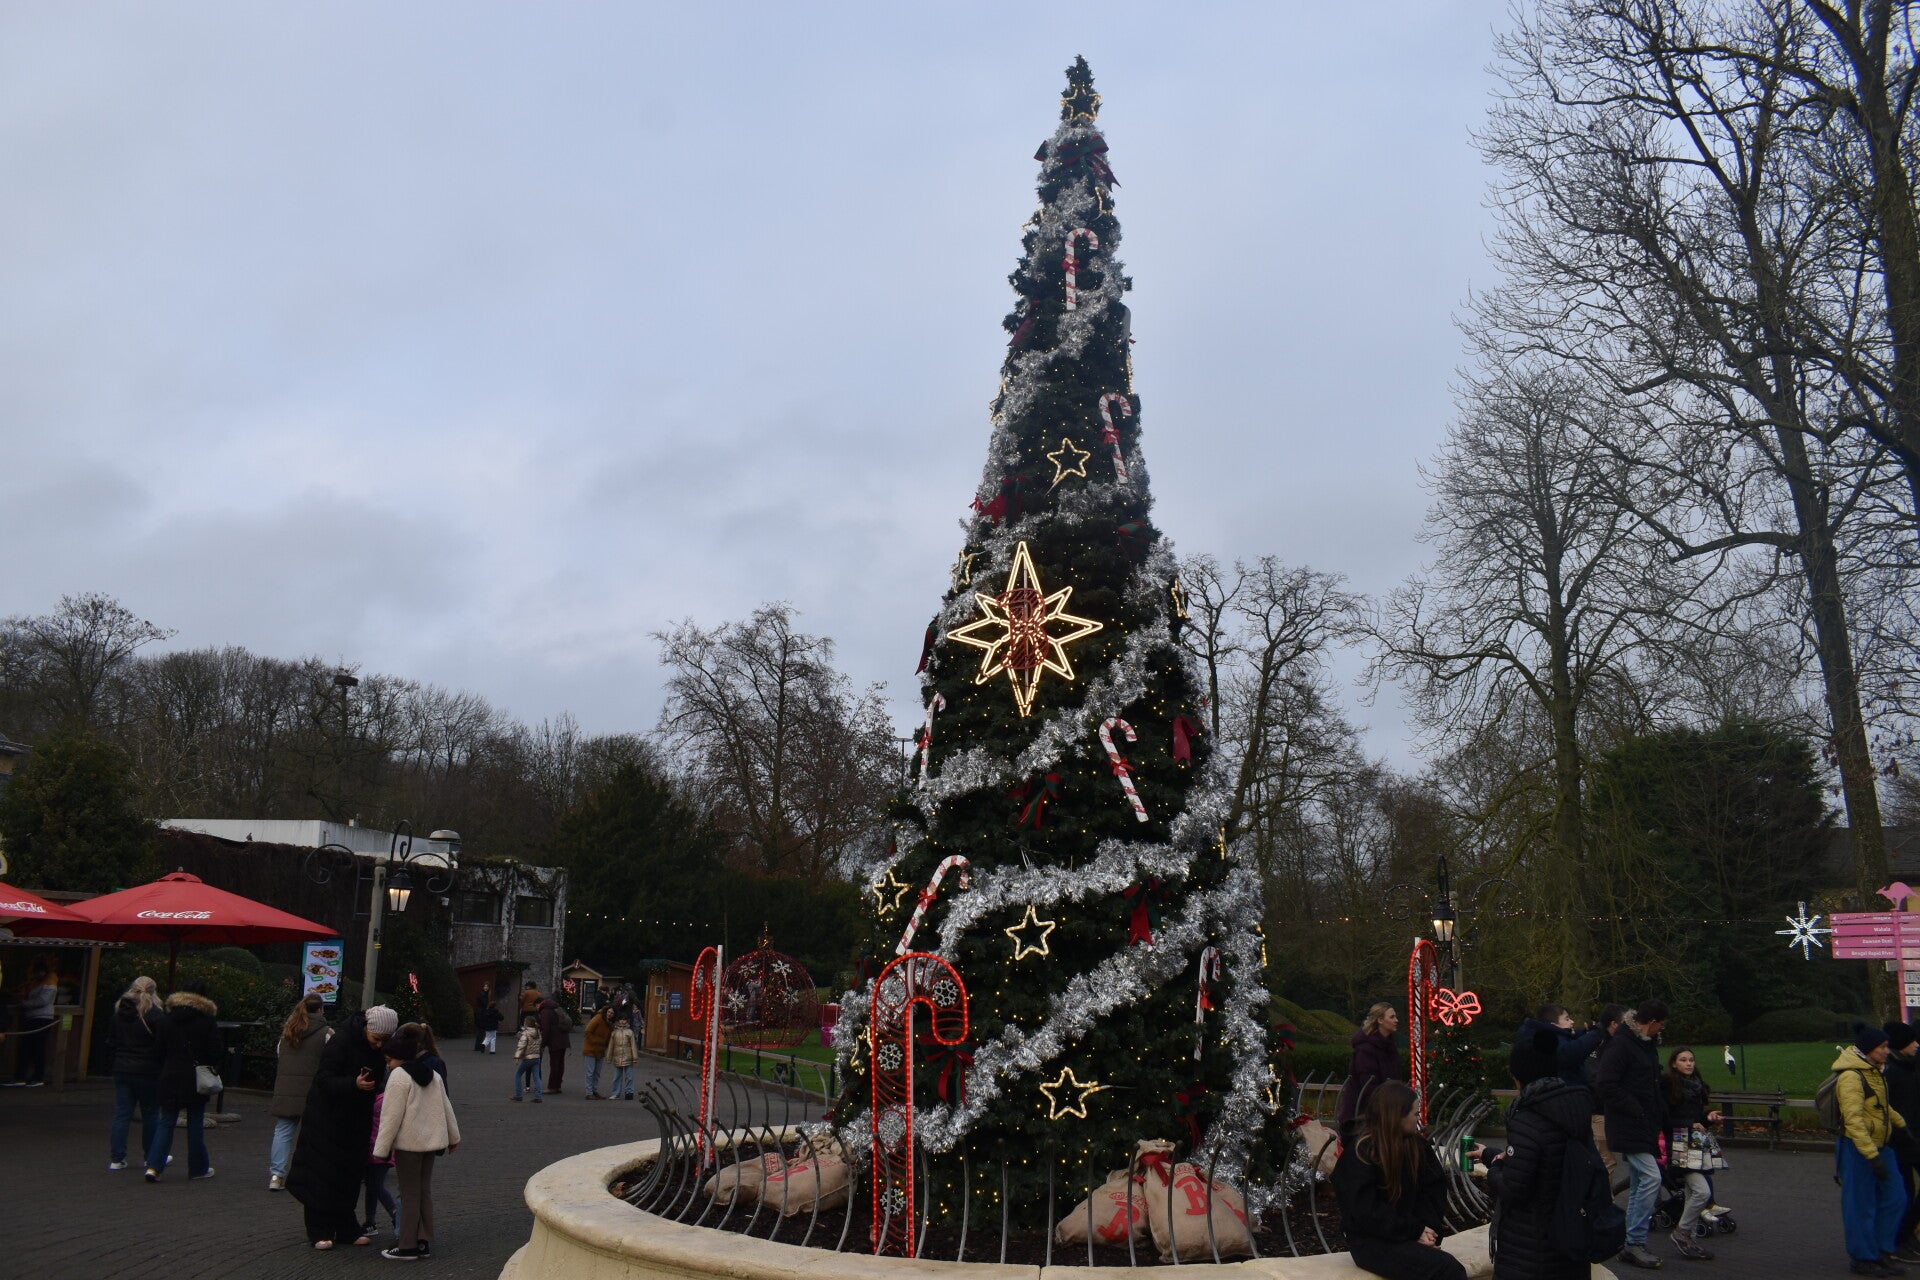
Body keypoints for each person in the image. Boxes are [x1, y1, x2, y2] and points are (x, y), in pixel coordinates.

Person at [287, 1005, 396, 1249]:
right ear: (367, 1028)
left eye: (385, 1041)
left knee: (350, 1174)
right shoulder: (340, 1041)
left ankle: (347, 1227)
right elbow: (323, 1079)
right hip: (326, 1118)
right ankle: (319, 1230)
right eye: (377, 1039)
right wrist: (353, 1084)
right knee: (321, 1174)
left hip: (356, 1119)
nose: (379, 1045)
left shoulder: (376, 1049)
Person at [1331, 1080, 1463, 1280]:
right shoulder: (1359, 1154)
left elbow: (1433, 1192)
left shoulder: (1417, 1147)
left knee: (1441, 1266)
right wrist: (1414, 1231)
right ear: (1397, 1117)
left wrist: (1429, 1232)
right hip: (1371, 1242)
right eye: (1415, 1114)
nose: (1418, 1120)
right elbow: (1366, 1212)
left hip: (1410, 1233)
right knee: (1448, 1269)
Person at [1488, 1072, 1602, 1279]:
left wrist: (1494, 1169)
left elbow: (1514, 1188)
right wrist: (1490, 1154)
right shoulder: (1574, 1111)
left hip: (1530, 1251)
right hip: (1570, 1243)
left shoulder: (1527, 1118)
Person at [373, 1024, 461, 1261]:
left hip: (408, 1145)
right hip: (430, 1144)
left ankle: (407, 1245)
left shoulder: (398, 1077)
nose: (388, 1065)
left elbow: (391, 1117)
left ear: (399, 1058)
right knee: (423, 1191)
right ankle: (423, 1240)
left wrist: (381, 1149)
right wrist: (453, 1137)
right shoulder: (433, 1075)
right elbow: (446, 1107)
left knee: (409, 1193)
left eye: (390, 1060)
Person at [1595, 1000, 1668, 1269]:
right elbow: (1606, 1084)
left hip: (1641, 1122)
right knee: (1651, 1178)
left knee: (1640, 1182)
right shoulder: (1622, 1046)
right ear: (1652, 1022)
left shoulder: (1641, 1044)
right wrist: (1636, 1109)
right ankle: (1633, 1241)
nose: (1661, 1030)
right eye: (1661, 1025)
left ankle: (1629, 1240)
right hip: (1631, 1123)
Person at [1833, 1021, 1909, 1276]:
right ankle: (1863, 1257)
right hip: (1858, 1149)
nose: (1887, 1051)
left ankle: (1882, 1249)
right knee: (1860, 1204)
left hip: (1880, 1146)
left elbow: (1881, 1107)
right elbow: (1853, 1120)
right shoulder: (1851, 1077)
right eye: (1882, 1047)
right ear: (1869, 1049)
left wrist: (1902, 1127)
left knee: (1896, 1197)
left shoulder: (1875, 1071)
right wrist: (1871, 1155)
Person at [145, 982, 224, 1183]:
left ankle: (154, 1166)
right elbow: (216, 1051)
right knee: (195, 1123)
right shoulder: (207, 1021)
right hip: (195, 1078)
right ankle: (198, 1168)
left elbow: (157, 1050)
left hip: (170, 1075)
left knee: (166, 1122)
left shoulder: (167, 1019)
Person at [1662, 1047, 1724, 1261]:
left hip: (1695, 1142)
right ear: (1674, 1064)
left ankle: (1690, 1238)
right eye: (1683, 1060)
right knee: (1701, 1192)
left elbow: (1697, 1118)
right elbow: (1666, 1119)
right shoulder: (1668, 1085)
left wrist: (1708, 1118)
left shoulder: (1696, 1086)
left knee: (1692, 1193)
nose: (1689, 1063)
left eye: (1691, 1060)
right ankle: (1682, 1232)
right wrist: (1691, 1124)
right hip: (1679, 1143)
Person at [268, 994, 332, 1190]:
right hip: (314, 1092)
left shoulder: (287, 1034)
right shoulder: (326, 1034)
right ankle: (311, 1174)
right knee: (315, 1134)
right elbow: (331, 1061)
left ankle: (276, 1176)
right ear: (320, 1009)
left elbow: (280, 1056)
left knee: (283, 1131)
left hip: (286, 1090)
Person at [106, 976, 165, 1171]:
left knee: (122, 1114)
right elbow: (162, 1045)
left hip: (122, 1068)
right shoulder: (155, 1015)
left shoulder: (119, 1013)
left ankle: (117, 1158)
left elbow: (112, 1041)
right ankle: (151, 1157)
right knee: (151, 1114)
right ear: (153, 992)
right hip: (148, 1070)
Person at [1881, 1022, 1920, 1263]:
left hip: (1911, 1137)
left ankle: (1904, 1234)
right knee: (1904, 1191)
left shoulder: (1909, 1066)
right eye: (1912, 1041)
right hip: (1902, 1140)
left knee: (1906, 1191)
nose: (1916, 1045)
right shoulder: (1893, 1072)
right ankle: (1900, 1237)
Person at [1510, 1004, 1606, 1090]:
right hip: (1565, 1094)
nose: (1572, 1021)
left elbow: (1571, 1038)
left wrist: (1586, 1032)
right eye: (1567, 1019)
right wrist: (1597, 1032)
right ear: (1554, 1025)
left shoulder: (1547, 1036)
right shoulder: (1551, 1040)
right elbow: (1570, 1053)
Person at [1337, 1003, 1402, 1130]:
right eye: (1392, 1017)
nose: (1396, 1020)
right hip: (1364, 1114)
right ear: (1380, 1020)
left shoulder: (1390, 1046)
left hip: (1387, 1109)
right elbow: (1368, 1084)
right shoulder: (1365, 1049)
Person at [1584, 1004, 1627, 1185]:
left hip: (1606, 1110)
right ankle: (1602, 1198)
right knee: (1605, 1160)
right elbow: (1595, 1079)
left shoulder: (1612, 1044)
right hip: (1598, 1111)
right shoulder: (1598, 1044)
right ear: (1614, 1024)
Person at [8, 956, 59, 1087]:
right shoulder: (37, 983)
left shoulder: (50, 984)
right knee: (26, 1048)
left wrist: (25, 1004)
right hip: (33, 1017)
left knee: (37, 1048)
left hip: (42, 1018)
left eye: (40, 971)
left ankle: (37, 1076)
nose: (38, 974)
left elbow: (43, 1001)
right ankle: (22, 1076)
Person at [362, 1087, 400, 1241]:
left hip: (381, 1150)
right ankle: (370, 1222)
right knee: (371, 1186)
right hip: (373, 1149)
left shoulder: (383, 1100)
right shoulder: (380, 1097)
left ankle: (396, 1216)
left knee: (375, 1185)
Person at [537, 990, 572, 1094]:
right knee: (560, 1063)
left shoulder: (545, 1011)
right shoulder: (557, 1008)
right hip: (564, 1039)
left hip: (555, 1041)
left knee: (554, 1064)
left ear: (539, 1004)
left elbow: (545, 1029)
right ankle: (558, 1085)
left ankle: (552, 1087)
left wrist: (542, 1044)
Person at [582, 1005, 612, 1099]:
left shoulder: (609, 1023)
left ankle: (594, 1090)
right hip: (591, 1049)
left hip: (600, 1050)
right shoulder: (598, 1018)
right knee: (590, 1072)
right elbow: (588, 1031)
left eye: (612, 1013)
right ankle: (589, 1092)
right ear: (606, 1011)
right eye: (609, 1012)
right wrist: (596, 1041)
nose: (610, 1014)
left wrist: (605, 1046)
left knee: (597, 1072)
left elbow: (608, 1037)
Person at [512, 1012, 544, 1102]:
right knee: (536, 1077)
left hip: (528, 1058)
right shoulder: (538, 1032)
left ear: (526, 1024)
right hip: (536, 1057)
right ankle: (538, 1096)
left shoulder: (525, 1033)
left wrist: (517, 1057)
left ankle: (518, 1095)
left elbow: (521, 1046)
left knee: (518, 1075)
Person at [608, 1014, 639, 1101]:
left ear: (627, 1021)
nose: (622, 1021)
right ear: (618, 1021)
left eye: (624, 1020)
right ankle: (615, 1093)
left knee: (629, 1077)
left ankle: (629, 1092)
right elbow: (611, 1046)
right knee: (616, 1077)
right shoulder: (614, 1033)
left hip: (628, 1057)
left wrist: (635, 1057)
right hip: (617, 1058)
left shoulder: (630, 1032)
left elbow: (633, 1045)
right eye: (621, 1019)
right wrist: (609, 1057)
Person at [471, 986, 491, 1053]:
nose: (486, 988)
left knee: (480, 1031)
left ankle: (478, 1046)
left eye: (487, 986)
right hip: (481, 1015)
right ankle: (478, 1046)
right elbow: (484, 1004)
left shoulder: (483, 994)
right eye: (485, 986)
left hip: (480, 1014)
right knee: (481, 1031)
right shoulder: (483, 995)